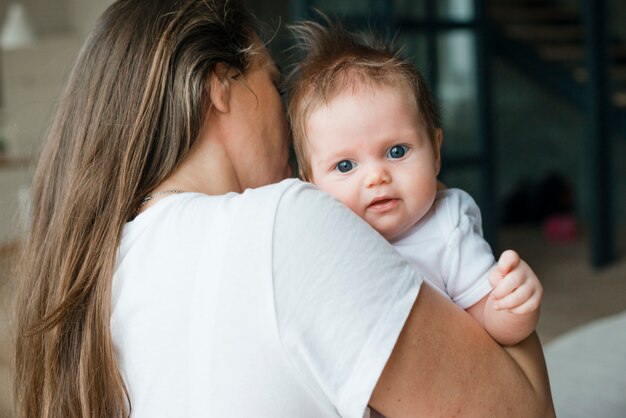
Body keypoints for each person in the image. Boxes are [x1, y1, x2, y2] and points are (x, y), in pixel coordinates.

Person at [13, 1, 554, 417]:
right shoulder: (286, 222)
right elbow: (525, 410)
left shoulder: (106, 265)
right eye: (274, 81)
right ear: (219, 85)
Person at [286, 20, 543, 348]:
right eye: (345, 165)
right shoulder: (318, 238)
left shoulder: (446, 227)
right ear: (311, 185)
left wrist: (514, 306)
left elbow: (491, 324)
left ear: (436, 151)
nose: (377, 176)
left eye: (396, 151)